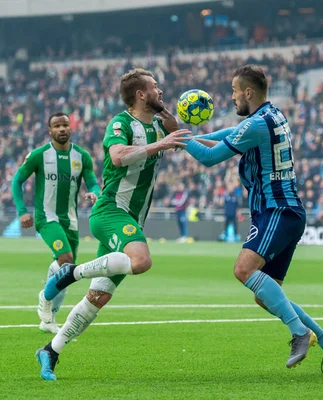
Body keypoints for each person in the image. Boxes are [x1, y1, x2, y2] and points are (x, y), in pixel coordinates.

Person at [184, 65, 323, 373]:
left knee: (243, 269)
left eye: (234, 91)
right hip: (285, 211)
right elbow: (229, 135)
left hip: (277, 210)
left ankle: (301, 333)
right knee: (267, 294)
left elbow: (209, 158)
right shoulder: (273, 116)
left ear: (249, 92)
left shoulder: (257, 124)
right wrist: (192, 136)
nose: (232, 97)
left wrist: (178, 139)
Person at [36, 68, 190, 380]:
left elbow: (177, 133)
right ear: (140, 94)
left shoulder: (157, 126)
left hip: (131, 220)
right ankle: (71, 273)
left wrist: (165, 117)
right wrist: (160, 144)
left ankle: (51, 350)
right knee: (141, 260)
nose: (161, 91)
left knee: (98, 297)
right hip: (110, 211)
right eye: (155, 87)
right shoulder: (121, 123)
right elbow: (118, 156)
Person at [11, 112, 100, 334]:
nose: (61, 129)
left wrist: (94, 193)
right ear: (49, 130)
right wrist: (22, 211)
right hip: (46, 217)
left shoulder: (82, 156)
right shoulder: (39, 155)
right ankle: (44, 298)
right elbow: (17, 180)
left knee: (66, 271)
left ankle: (48, 317)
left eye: (65, 125)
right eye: (56, 126)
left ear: (71, 128)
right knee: (66, 259)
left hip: (70, 220)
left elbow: (92, 182)